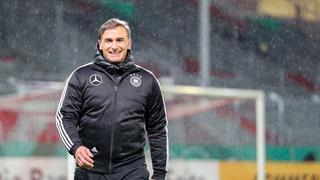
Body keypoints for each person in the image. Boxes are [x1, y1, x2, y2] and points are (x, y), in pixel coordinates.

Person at [56, 18, 168, 180]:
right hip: (91, 168)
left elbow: (157, 129)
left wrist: (159, 173)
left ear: (129, 43)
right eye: (108, 40)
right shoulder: (81, 76)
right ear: (100, 44)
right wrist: (76, 147)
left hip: (132, 168)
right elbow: (64, 117)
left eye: (119, 40)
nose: (114, 46)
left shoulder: (147, 80)